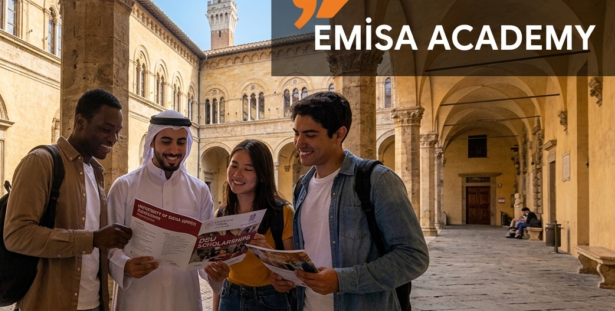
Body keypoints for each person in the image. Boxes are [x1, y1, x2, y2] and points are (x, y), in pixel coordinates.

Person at [271, 91, 429, 311]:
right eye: (296, 133)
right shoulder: (302, 187)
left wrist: (341, 280)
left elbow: (413, 257)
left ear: (338, 134)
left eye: (310, 134)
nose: (299, 143)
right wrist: (290, 278)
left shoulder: (377, 180)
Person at [3, 89, 132, 311]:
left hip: (94, 304)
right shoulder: (41, 162)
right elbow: (16, 235)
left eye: (118, 131)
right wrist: (92, 239)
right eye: (106, 129)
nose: (113, 139)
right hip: (48, 304)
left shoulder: (95, 172)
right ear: (81, 122)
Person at [106, 110, 220, 311]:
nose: (174, 150)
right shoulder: (124, 187)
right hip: (137, 299)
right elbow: (108, 247)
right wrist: (126, 265)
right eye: (166, 141)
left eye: (181, 142)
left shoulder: (200, 191)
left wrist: (214, 270)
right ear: (151, 141)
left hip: (184, 297)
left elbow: (205, 251)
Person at [204, 139, 295, 311]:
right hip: (230, 296)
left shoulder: (282, 213)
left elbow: (292, 270)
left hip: (270, 299)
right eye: (233, 165)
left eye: (248, 169)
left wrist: (266, 250)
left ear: (262, 175)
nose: (237, 175)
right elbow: (219, 275)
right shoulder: (221, 215)